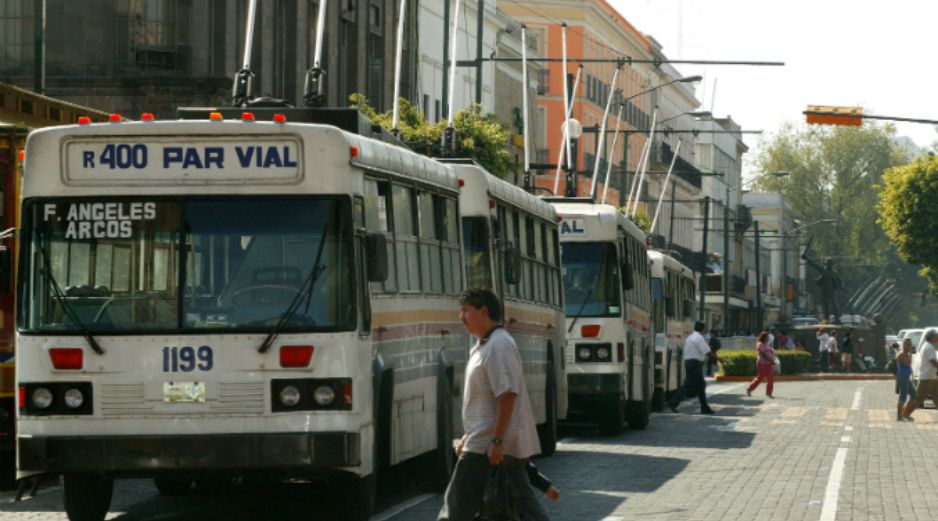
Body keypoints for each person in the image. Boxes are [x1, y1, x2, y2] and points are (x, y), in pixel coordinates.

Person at [439, 288, 549, 521]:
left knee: (455, 509)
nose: (461, 318)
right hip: (486, 441)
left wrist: (497, 441)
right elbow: (486, 401)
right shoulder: (484, 346)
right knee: (522, 503)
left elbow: (507, 396)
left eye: (466, 311)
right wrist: (469, 436)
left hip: (488, 445)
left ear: (484, 311)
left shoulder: (500, 345)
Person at [668, 321, 723, 415]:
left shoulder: (691, 337)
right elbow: (707, 351)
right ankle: (673, 402)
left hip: (690, 362)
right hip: (695, 364)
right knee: (689, 385)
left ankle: (704, 408)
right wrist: (718, 358)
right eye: (705, 329)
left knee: (701, 386)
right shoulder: (699, 338)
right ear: (703, 329)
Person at [902, 330, 938, 421]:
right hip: (926, 378)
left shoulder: (928, 346)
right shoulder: (929, 347)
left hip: (932, 377)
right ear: (932, 337)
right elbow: (933, 361)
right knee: (918, 398)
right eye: (936, 336)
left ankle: (905, 414)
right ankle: (905, 414)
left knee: (936, 396)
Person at [747, 331, 776, 398]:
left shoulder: (767, 344)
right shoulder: (760, 344)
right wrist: (770, 360)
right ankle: (750, 389)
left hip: (769, 363)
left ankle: (769, 393)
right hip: (762, 363)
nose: (768, 338)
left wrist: (772, 353)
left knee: (770, 378)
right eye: (767, 336)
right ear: (763, 337)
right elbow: (762, 354)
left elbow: (770, 351)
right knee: (760, 378)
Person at [896, 338, 917, 421]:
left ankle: (905, 413)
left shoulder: (906, 354)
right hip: (902, 377)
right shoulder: (902, 354)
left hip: (906, 377)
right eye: (907, 344)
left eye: (910, 344)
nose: (909, 346)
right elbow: (907, 364)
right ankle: (899, 416)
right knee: (903, 396)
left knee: (914, 395)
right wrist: (911, 354)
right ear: (903, 345)